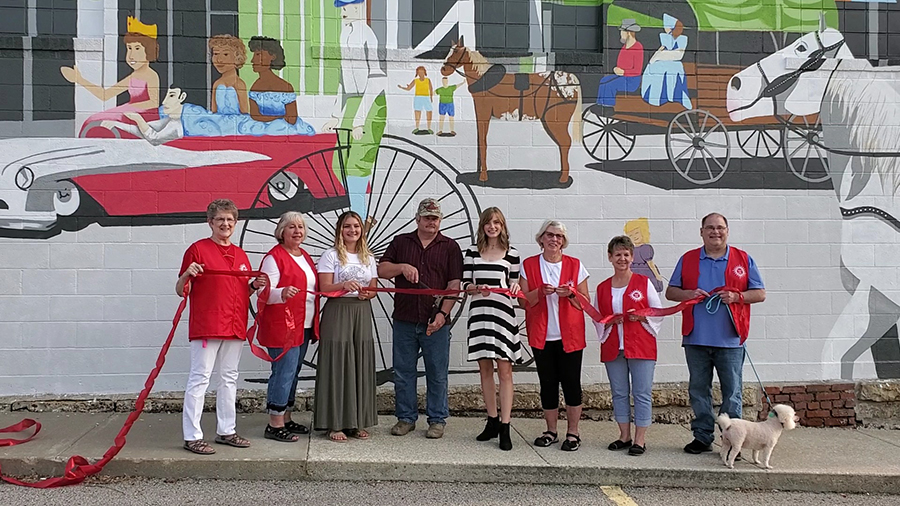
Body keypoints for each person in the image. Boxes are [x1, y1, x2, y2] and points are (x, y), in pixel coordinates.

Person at [666, 213, 766, 455]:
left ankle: (733, 442)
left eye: (720, 228)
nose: (715, 232)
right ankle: (702, 436)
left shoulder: (743, 259)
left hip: (731, 339)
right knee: (699, 390)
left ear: (727, 231)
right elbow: (671, 292)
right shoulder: (688, 259)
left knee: (732, 392)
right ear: (701, 232)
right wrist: (688, 294)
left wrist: (736, 297)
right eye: (710, 228)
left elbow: (760, 293)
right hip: (696, 338)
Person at [176, 199, 266, 455]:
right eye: (220, 220)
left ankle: (227, 430)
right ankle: (192, 435)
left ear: (235, 223)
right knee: (200, 379)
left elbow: (239, 292)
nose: (225, 224)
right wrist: (186, 275)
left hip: (235, 325)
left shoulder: (240, 254)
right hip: (208, 325)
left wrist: (254, 286)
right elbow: (180, 289)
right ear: (210, 222)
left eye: (229, 220)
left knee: (228, 379)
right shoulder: (197, 250)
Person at [378, 198, 463, 439]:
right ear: (417, 219)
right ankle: (406, 418)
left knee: (437, 373)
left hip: (436, 321)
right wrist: (402, 267)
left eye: (435, 218)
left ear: (440, 221)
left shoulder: (450, 247)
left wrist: (443, 314)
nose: (431, 222)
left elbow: (454, 284)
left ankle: (437, 420)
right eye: (426, 217)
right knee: (404, 372)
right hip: (404, 319)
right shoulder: (401, 242)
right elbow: (382, 270)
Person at [519, 220, 590, 452]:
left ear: (564, 241)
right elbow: (522, 300)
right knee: (547, 385)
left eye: (559, 236)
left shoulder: (576, 265)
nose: (554, 240)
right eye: (550, 235)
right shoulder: (528, 265)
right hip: (542, 335)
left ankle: (573, 432)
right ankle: (551, 430)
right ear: (541, 239)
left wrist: (570, 295)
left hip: (569, 335)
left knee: (571, 383)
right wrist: (539, 292)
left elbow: (585, 304)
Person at [593, 236, 663, 457]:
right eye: (617, 254)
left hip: (640, 345)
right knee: (619, 392)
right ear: (610, 257)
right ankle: (624, 435)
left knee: (641, 392)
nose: (622, 258)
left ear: (632, 257)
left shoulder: (644, 283)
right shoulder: (602, 287)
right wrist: (609, 321)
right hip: (614, 344)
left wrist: (641, 317)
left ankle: (640, 439)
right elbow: (597, 316)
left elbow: (657, 311)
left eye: (626, 254)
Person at [314, 211, 379, 442]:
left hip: (360, 311)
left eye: (356, 226)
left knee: (359, 362)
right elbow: (324, 287)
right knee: (338, 362)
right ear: (340, 229)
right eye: (347, 226)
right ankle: (335, 422)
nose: (352, 230)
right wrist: (344, 284)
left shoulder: (368, 257)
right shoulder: (330, 255)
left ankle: (357, 421)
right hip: (338, 309)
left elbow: (373, 288)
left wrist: (367, 294)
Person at [323, 0, 389, 220]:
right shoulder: (345, 35)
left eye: (347, 7)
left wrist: (360, 119)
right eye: (341, 7)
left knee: (356, 166)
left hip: (371, 103)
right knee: (337, 163)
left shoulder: (367, 35)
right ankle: (358, 206)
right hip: (351, 102)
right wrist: (335, 114)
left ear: (359, 7)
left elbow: (376, 77)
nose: (343, 12)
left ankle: (359, 221)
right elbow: (343, 78)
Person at [257, 211, 319, 443]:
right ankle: (275, 423)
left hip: (303, 324)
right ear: (281, 231)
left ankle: (287, 417)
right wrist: (281, 293)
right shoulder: (274, 258)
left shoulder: (304, 256)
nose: (297, 231)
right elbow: (264, 294)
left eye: (301, 227)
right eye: (291, 226)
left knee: (293, 373)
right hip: (283, 325)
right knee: (283, 372)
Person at [463, 207, 521, 451]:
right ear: (482, 226)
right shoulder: (472, 252)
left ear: (502, 225)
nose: (492, 226)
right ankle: (492, 420)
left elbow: (514, 283)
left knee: (505, 371)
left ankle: (506, 426)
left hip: (502, 316)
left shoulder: (512, 254)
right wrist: (474, 288)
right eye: (488, 222)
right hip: (479, 315)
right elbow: (465, 283)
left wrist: (516, 287)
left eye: (497, 222)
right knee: (485, 370)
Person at [62, 16, 161, 136]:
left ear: (149, 51)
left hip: (144, 116)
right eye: (129, 49)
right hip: (130, 111)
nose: (131, 55)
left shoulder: (151, 75)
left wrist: (127, 109)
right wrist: (80, 79)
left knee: (103, 123)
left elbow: (153, 103)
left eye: (137, 49)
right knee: (93, 120)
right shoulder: (133, 76)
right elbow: (105, 95)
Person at [247, 36, 314, 134]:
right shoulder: (255, 88)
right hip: (260, 128)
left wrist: (276, 121)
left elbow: (292, 118)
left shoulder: (285, 87)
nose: (253, 60)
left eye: (258, 55)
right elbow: (255, 115)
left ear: (272, 57)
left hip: (283, 127)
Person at [102, 87, 187, 146]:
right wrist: (116, 124)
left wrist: (138, 119)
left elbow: (154, 139)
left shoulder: (178, 125)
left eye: (171, 96)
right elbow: (144, 130)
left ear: (182, 97)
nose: (164, 102)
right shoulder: (171, 119)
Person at [641, 14, 692, 109]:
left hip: (673, 66)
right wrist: (656, 57)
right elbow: (660, 51)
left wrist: (660, 56)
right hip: (661, 65)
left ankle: (674, 96)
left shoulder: (682, 39)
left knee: (671, 70)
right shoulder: (665, 37)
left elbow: (678, 55)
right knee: (655, 69)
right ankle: (656, 98)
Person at [596, 19, 644, 108]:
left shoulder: (638, 47)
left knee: (610, 85)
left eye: (622, 32)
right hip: (621, 77)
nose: (621, 34)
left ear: (628, 33)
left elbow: (637, 70)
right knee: (604, 80)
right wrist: (617, 69)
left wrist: (623, 72)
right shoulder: (624, 47)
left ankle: (608, 107)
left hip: (631, 80)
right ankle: (600, 104)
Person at [209, 34, 250, 115]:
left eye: (225, 54)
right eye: (216, 54)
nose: (219, 60)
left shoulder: (239, 84)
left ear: (237, 57)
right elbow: (214, 111)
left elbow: (244, 112)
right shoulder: (217, 84)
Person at [624, 218, 664, 292]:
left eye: (636, 233)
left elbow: (650, 264)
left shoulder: (645, 248)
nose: (634, 236)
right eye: (631, 235)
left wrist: (657, 276)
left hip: (646, 273)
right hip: (634, 274)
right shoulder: (631, 249)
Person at [398, 66, 434, 135]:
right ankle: (417, 127)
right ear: (417, 73)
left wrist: (431, 97)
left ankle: (429, 128)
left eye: (422, 71)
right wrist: (402, 87)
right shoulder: (416, 81)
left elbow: (431, 89)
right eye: (419, 72)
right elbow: (409, 88)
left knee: (429, 112)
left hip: (426, 97)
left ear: (424, 72)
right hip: (418, 97)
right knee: (417, 112)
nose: (421, 73)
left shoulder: (428, 80)